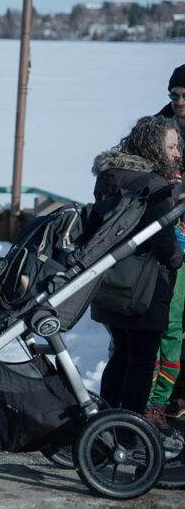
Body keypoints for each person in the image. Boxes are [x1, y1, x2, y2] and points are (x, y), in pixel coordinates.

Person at [90, 117, 183, 430]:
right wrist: (176, 258)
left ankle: (103, 427)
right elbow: (160, 238)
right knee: (142, 361)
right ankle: (130, 434)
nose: (176, 154)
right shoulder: (153, 185)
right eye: (171, 147)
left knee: (120, 357)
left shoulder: (111, 177)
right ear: (154, 147)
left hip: (109, 283)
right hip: (144, 289)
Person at [152, 64, 185, 421]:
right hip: (170, 241)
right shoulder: (158, 130)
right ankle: (160, 402)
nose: (179, 101)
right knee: (168, 324)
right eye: (174, 94)